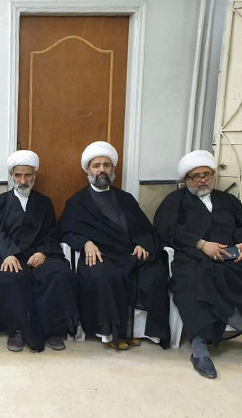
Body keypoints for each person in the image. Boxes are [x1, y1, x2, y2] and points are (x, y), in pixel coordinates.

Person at [59, 141, 170, 350]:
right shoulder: (78, 201)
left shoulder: (125, 198)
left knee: (154, 273)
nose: (102, 169)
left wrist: (142, 243)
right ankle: (111, 333)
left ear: (112, 169)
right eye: (96, 165)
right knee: (104, 276)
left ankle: (138, 331)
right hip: (100, 256)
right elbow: (66, 231)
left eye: (106, 165)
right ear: (88, 170)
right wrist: (85, 243)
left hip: (129, 253)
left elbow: (144, 228)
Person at [155, 150, 242, 379]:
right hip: (192, 256)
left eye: (207, 174)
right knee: (192, 280)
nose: (202, 180)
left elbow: (241, 225)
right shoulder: (175, 201)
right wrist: (201, 244)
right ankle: (199, 346)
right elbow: (165, 230)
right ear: (186, 179)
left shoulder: (228, 200)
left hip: (231, 257)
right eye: (196, 176)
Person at [0, 150, 79, 352]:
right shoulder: (0, 202)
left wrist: (43, 253)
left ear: (34, 175)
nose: (23, 180)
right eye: (18, 175)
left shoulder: (44, 202)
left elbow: (52, 232)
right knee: (9, 276)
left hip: (40, 255)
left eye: (27, 175)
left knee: (58, 274)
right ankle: (17, 330)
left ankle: (52, 330)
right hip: (10, 255)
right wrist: (9, 254)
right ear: (11, 176)